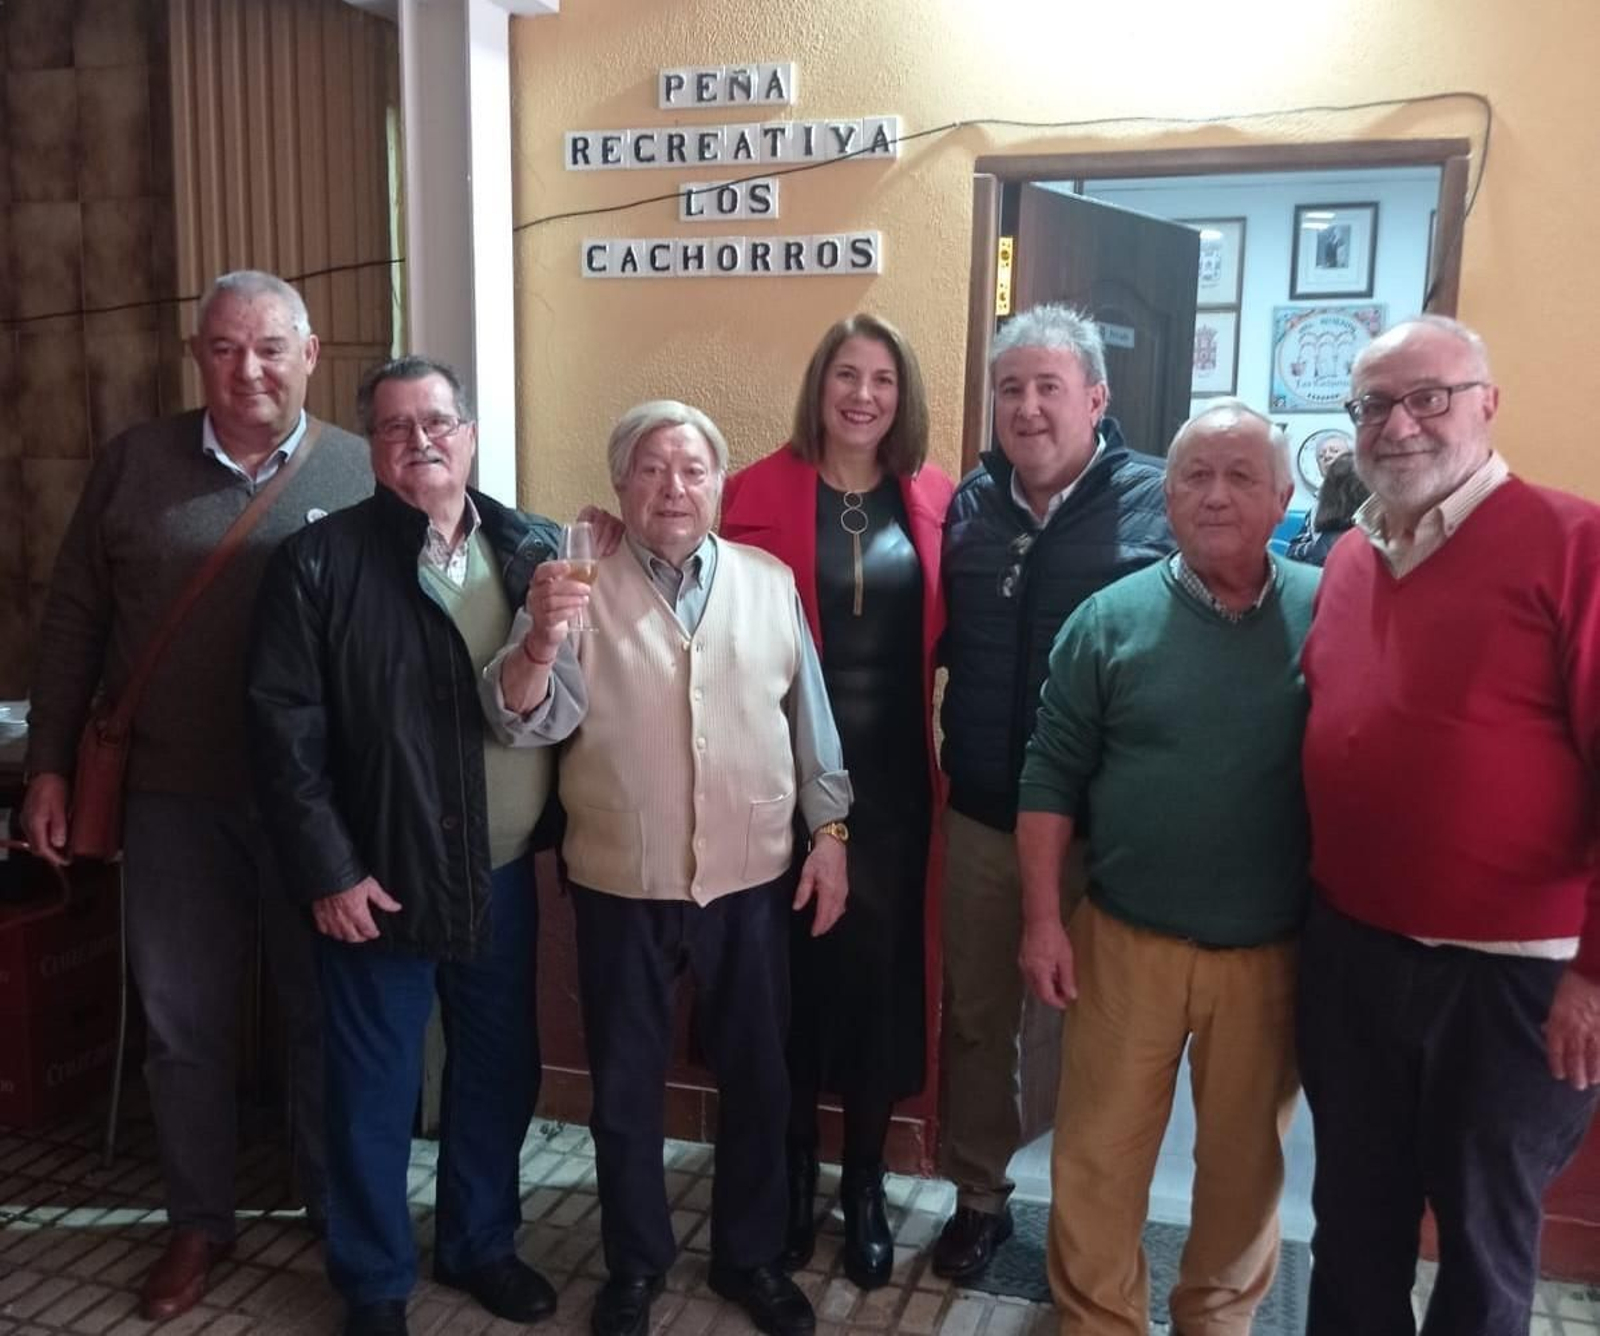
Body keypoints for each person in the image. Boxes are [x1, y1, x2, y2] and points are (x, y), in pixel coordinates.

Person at [21, 270, 371, 1322]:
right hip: (172, 794)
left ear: (313, 354)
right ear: (197, 355)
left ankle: (331, 1204)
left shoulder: (358, 471)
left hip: (318, 805)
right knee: (183, 1022)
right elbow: (75, 616)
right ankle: (198, 1219)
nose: (248, 368)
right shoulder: (136, 463)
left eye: (270, 347)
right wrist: (47, 762)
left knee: (324, 1012)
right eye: (225, 347)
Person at [492, 400, 849, 1336]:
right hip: (621, 879)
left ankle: (749, 1258)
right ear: (620, 487)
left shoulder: (771, 584)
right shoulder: (574, 582)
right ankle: (636, 1265)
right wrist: (540, 638)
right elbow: (527, 718)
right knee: (624, 1084)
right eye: (651, 470)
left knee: (759, 1078)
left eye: (693, 470)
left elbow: (812, 727)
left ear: (719, 485)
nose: (674, 489)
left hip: (752, 875)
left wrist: (832, 836)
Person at [247, 357, 580, 1336]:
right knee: (373, 1088)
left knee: (497, 1068)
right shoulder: (317, 564)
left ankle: (480, 1242)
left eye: (438, 420)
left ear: (469, 434)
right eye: (396, 427)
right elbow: (283, 736)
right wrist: (329, 868)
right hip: (376, 879)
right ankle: (375, 1280)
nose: (420, 439)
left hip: (504, 872)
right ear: (371, 449)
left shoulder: (530, 548)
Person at [1298, 315, 1600, 1336]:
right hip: (1353, 956)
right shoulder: (1347, 558)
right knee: (1351, 1225)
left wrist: (1594, 973)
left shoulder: (1572, 543)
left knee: (1481, 1244)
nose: (1397, 425)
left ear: (1485, 402)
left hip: (1512, 981)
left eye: (1427, 396)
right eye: (1372, 405)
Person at [1017, 402, 1315, 1335]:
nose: (1214, 496)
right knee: (1098, 1157)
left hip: (1271, 950)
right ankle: (1097, 1320)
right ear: (1167, 493)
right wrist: (1041, 920)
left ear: (1284, 494)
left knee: (1243, 1167)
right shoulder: (1109, 620)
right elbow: (1050, 774)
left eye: (1238, 476)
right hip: (1125, 938)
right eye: (1194, 476)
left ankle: (1217, 1319)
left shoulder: (1333, 606)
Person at [932, 303, 1173, 1280]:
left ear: (1096, 396)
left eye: (1047, 386)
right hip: (987, 814)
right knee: (980, 1016)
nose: (1027, 408)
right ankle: (979, 1195)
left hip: (1113, 831)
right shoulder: (966, 506)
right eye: (1009, 388)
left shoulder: (1157, 500)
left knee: (1106, 1035)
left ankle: (1091, 1214)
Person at [720, 313, 953, 1290]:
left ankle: (862, 1184)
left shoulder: (938, 500)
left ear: (903, 396)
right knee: (784, 991)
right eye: (846, 375)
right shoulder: (748, 493)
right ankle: (785, 1183)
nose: (864, 394)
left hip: (896, 791)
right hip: (776, 781)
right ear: (818, 385)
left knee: (874, 989)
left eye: (883, 379)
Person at [1285, 454, 1369, 566]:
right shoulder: (1383, 538)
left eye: (1334, 451)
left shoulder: (1325, 545)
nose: (1327, 456)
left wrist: (1314, 548)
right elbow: (1292, 551)